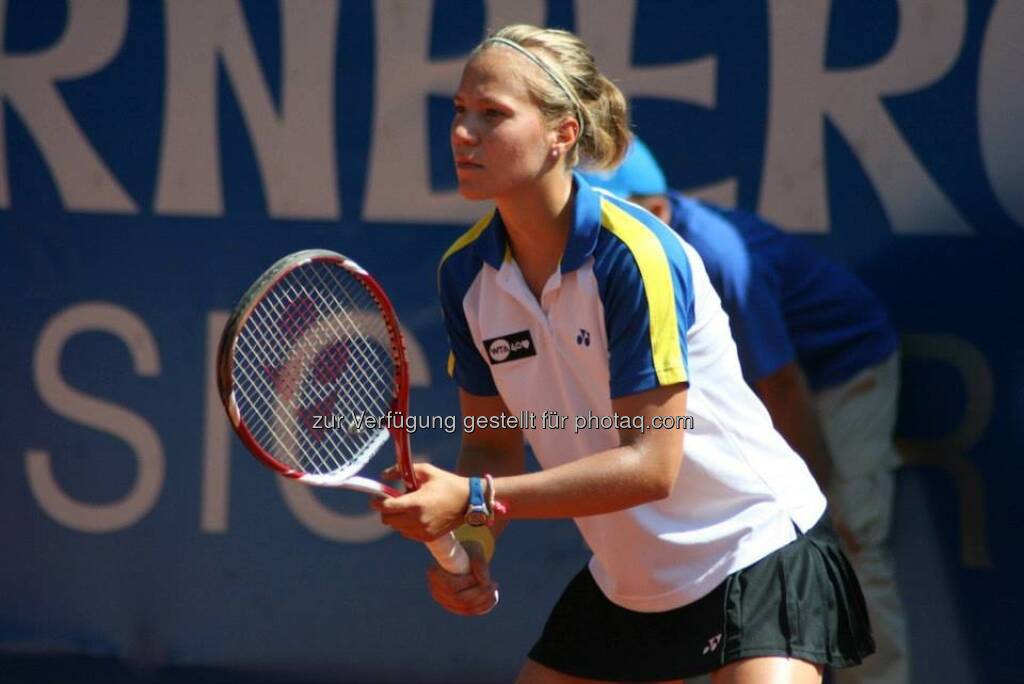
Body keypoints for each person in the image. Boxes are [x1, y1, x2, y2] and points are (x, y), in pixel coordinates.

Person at [372, 24, 874, 684]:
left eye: (493, 114)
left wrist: (473, 494)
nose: (464, 132)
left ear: (563, 135)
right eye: (460, 111)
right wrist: (471, 539)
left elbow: (651, 462)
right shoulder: (464, 275)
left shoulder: (635, 257)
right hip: (630, 581)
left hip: (753, 548)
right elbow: (494, 442)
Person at [580, 139, 907, 684]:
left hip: (839, 371)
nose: (593, 231)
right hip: (753, 391)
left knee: (850, 541)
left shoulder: (719, 258)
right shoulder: (615, 264)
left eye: (609, 216)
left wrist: (811, 509)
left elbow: (780, 385)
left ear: (656, 211)